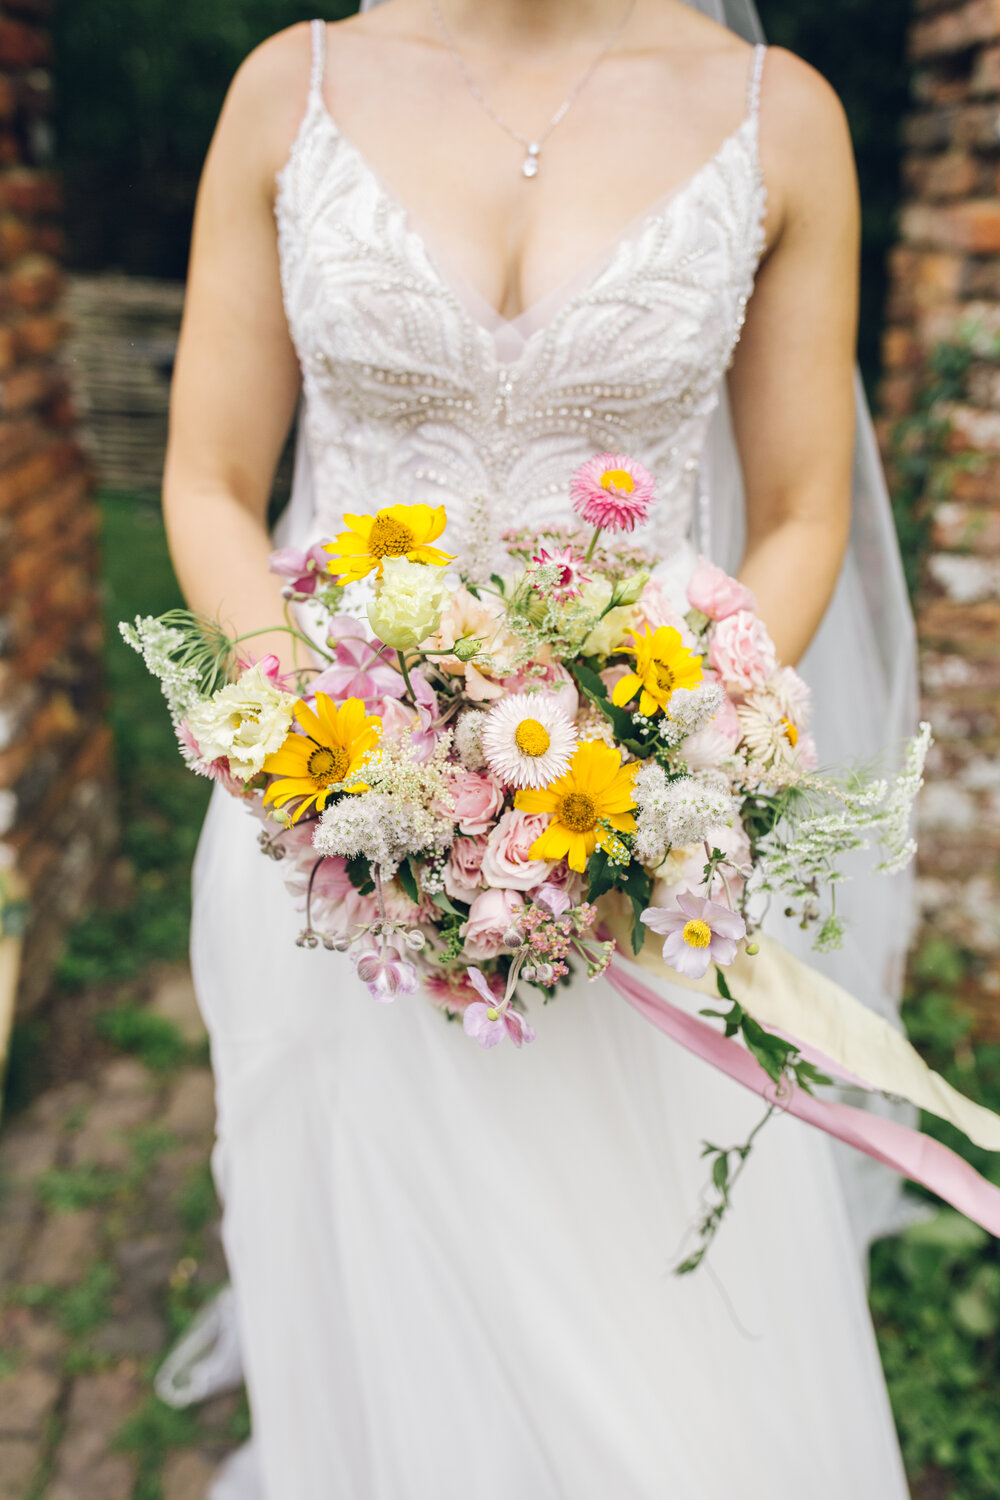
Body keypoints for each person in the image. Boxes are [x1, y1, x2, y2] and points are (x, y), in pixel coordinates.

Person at [162, 1, 914, 1494]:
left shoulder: (784, 116)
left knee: (669, 1375)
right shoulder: (284, 92)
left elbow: (802, 511)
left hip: (637, 861)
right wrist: (337, 752)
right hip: (337, 850)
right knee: (382, 1311)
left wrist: (657, 776)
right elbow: (207, 478)